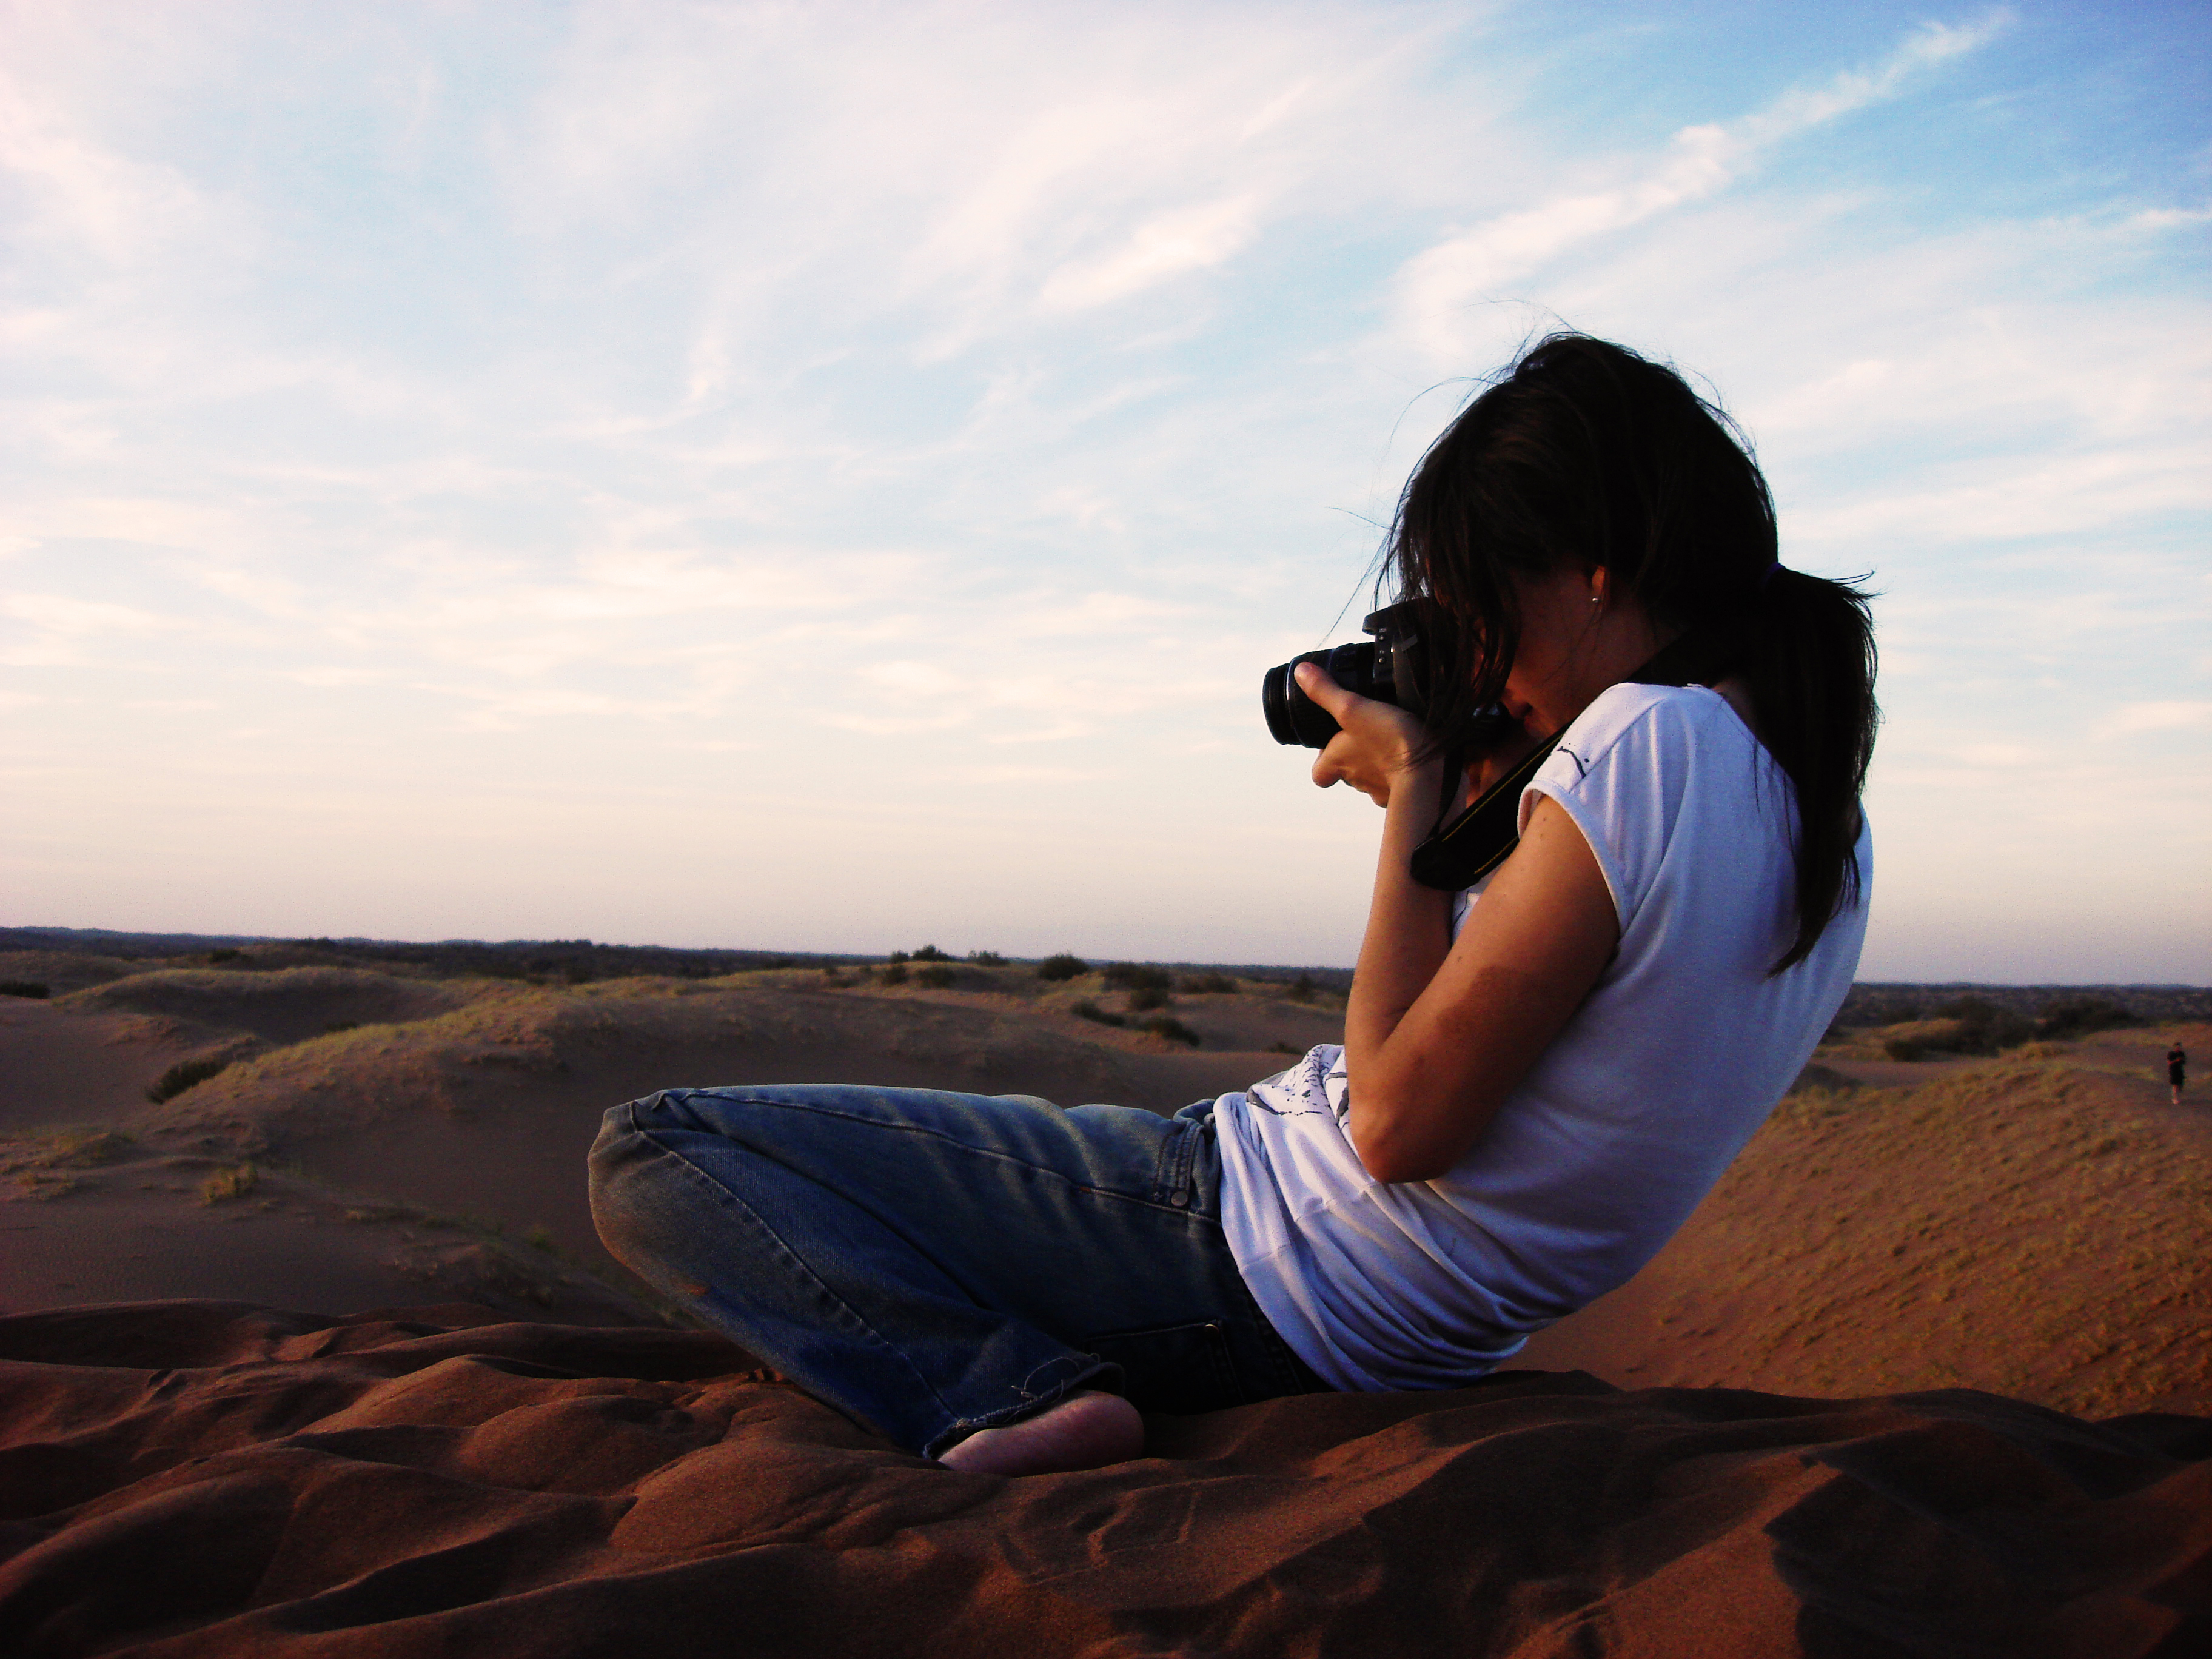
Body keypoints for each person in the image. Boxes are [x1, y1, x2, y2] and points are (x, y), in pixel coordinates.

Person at [588, 333, 1879, 1476]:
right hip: (1370, 1313)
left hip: (1249, 1242)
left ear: (1596, 573)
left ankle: (999, 1398)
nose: (1484, 659)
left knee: (657, 1149)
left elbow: (1393, 1125)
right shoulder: (1821, 822)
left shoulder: (1646, 745)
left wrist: (1418, 790)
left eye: (1489, 605)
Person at [2171, 1041, 2187, 1107]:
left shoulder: (2181, 1054)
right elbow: (2169, 1062)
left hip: (2180, 1070)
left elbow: (2184, 1062)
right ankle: (2175, 1098)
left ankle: (2178, 1097)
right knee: (2175, 1085)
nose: (2178, 1048)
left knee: (2180, 1085)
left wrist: (2182, 1060)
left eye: (2179, 1047)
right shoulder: (2171, 1054)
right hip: (2173, 1070)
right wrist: (2176, 1061)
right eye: (2177, 1047)